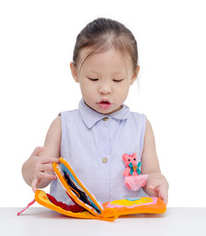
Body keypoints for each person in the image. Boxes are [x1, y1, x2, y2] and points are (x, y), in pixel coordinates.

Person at [22, 18, 169, 205]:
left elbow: (152, 172)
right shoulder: (63, 125)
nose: (105, 89)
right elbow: (42, 177)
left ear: (133, 75)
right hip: (71, 224)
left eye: (117, 80)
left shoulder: (141, 126)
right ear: (75, 72)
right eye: (93, 78)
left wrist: (157, 182)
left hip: (126, 224)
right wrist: (29, 171)